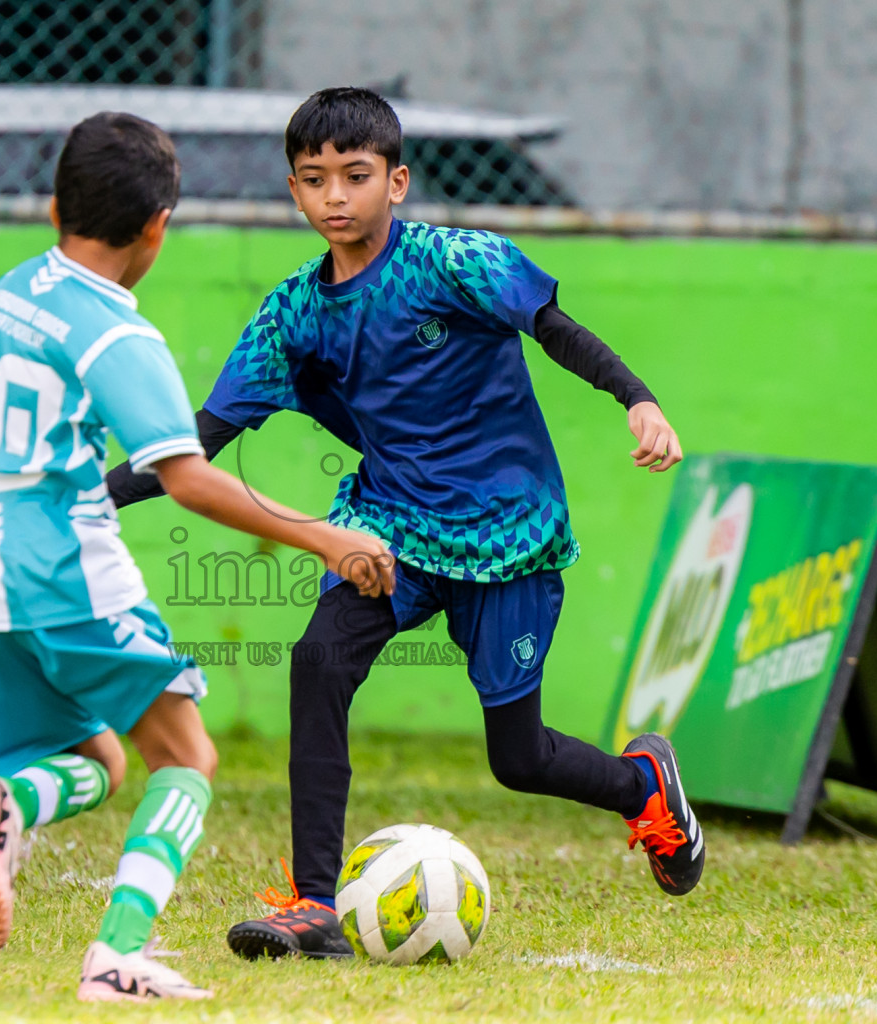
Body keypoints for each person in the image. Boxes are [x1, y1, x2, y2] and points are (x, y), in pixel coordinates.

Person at [105, 87, 705, 962]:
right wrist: (95, 493)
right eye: (316, 181)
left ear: (398, 182)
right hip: (387, 532)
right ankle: (314, 904)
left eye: (356, 176)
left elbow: (553, 326)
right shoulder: (294, 313)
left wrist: (638, 401)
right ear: (295, 192)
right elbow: (202, 439)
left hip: (511, 535)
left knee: (520, 756)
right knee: (317, 663)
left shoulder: (453, 261)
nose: (336, 197)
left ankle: (644, 787)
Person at [0, 111, 393, 1000]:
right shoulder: (119, 335)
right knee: (185, 758)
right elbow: (187, 478)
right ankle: (115, 956)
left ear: (56, 205)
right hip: (67, 571)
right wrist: (325, 536)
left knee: (97, 760)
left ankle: (8, 809)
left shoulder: (12, 291)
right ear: (158, 226)